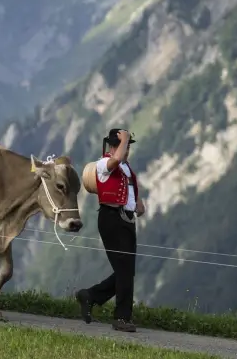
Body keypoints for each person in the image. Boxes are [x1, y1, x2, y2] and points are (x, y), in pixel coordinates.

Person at [76, 127, 144, 332]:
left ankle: (91, 295)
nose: (127, 150)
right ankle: (121, 318)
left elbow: (129, 187)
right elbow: (115, 161)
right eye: (124, 146)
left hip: (126, 220)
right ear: (113, 146)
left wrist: (137, 204)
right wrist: (123, 141)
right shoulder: (104, 164)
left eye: (128, 146)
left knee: (127, 271)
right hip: (111, 219)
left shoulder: (125, 167)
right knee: (124, 270)